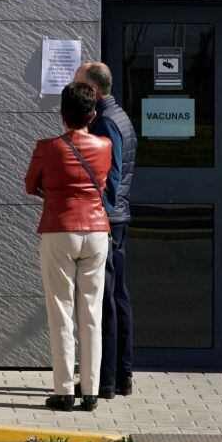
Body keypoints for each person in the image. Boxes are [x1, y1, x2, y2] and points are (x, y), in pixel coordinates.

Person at [24, 81, 112, 412]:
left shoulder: (47, 147)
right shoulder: (104, 145)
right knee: (91, 312)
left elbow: (30, 185)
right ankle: (90, 391)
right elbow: (103, 183)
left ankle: (63, 390)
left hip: (59, 229)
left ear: (61, 113)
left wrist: (54, 194)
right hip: (97, 230)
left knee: (61, 310)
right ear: (92, 115)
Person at [76, 61, 138, 399]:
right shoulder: (119, 116)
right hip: (118, 217)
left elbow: (110, 176)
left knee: (106, 300)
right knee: (117, 296)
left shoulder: (105, 122)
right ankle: (122, 375)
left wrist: (99, 214)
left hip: (109, 220)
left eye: (78, 83)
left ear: (93, 90)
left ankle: (107, 380)